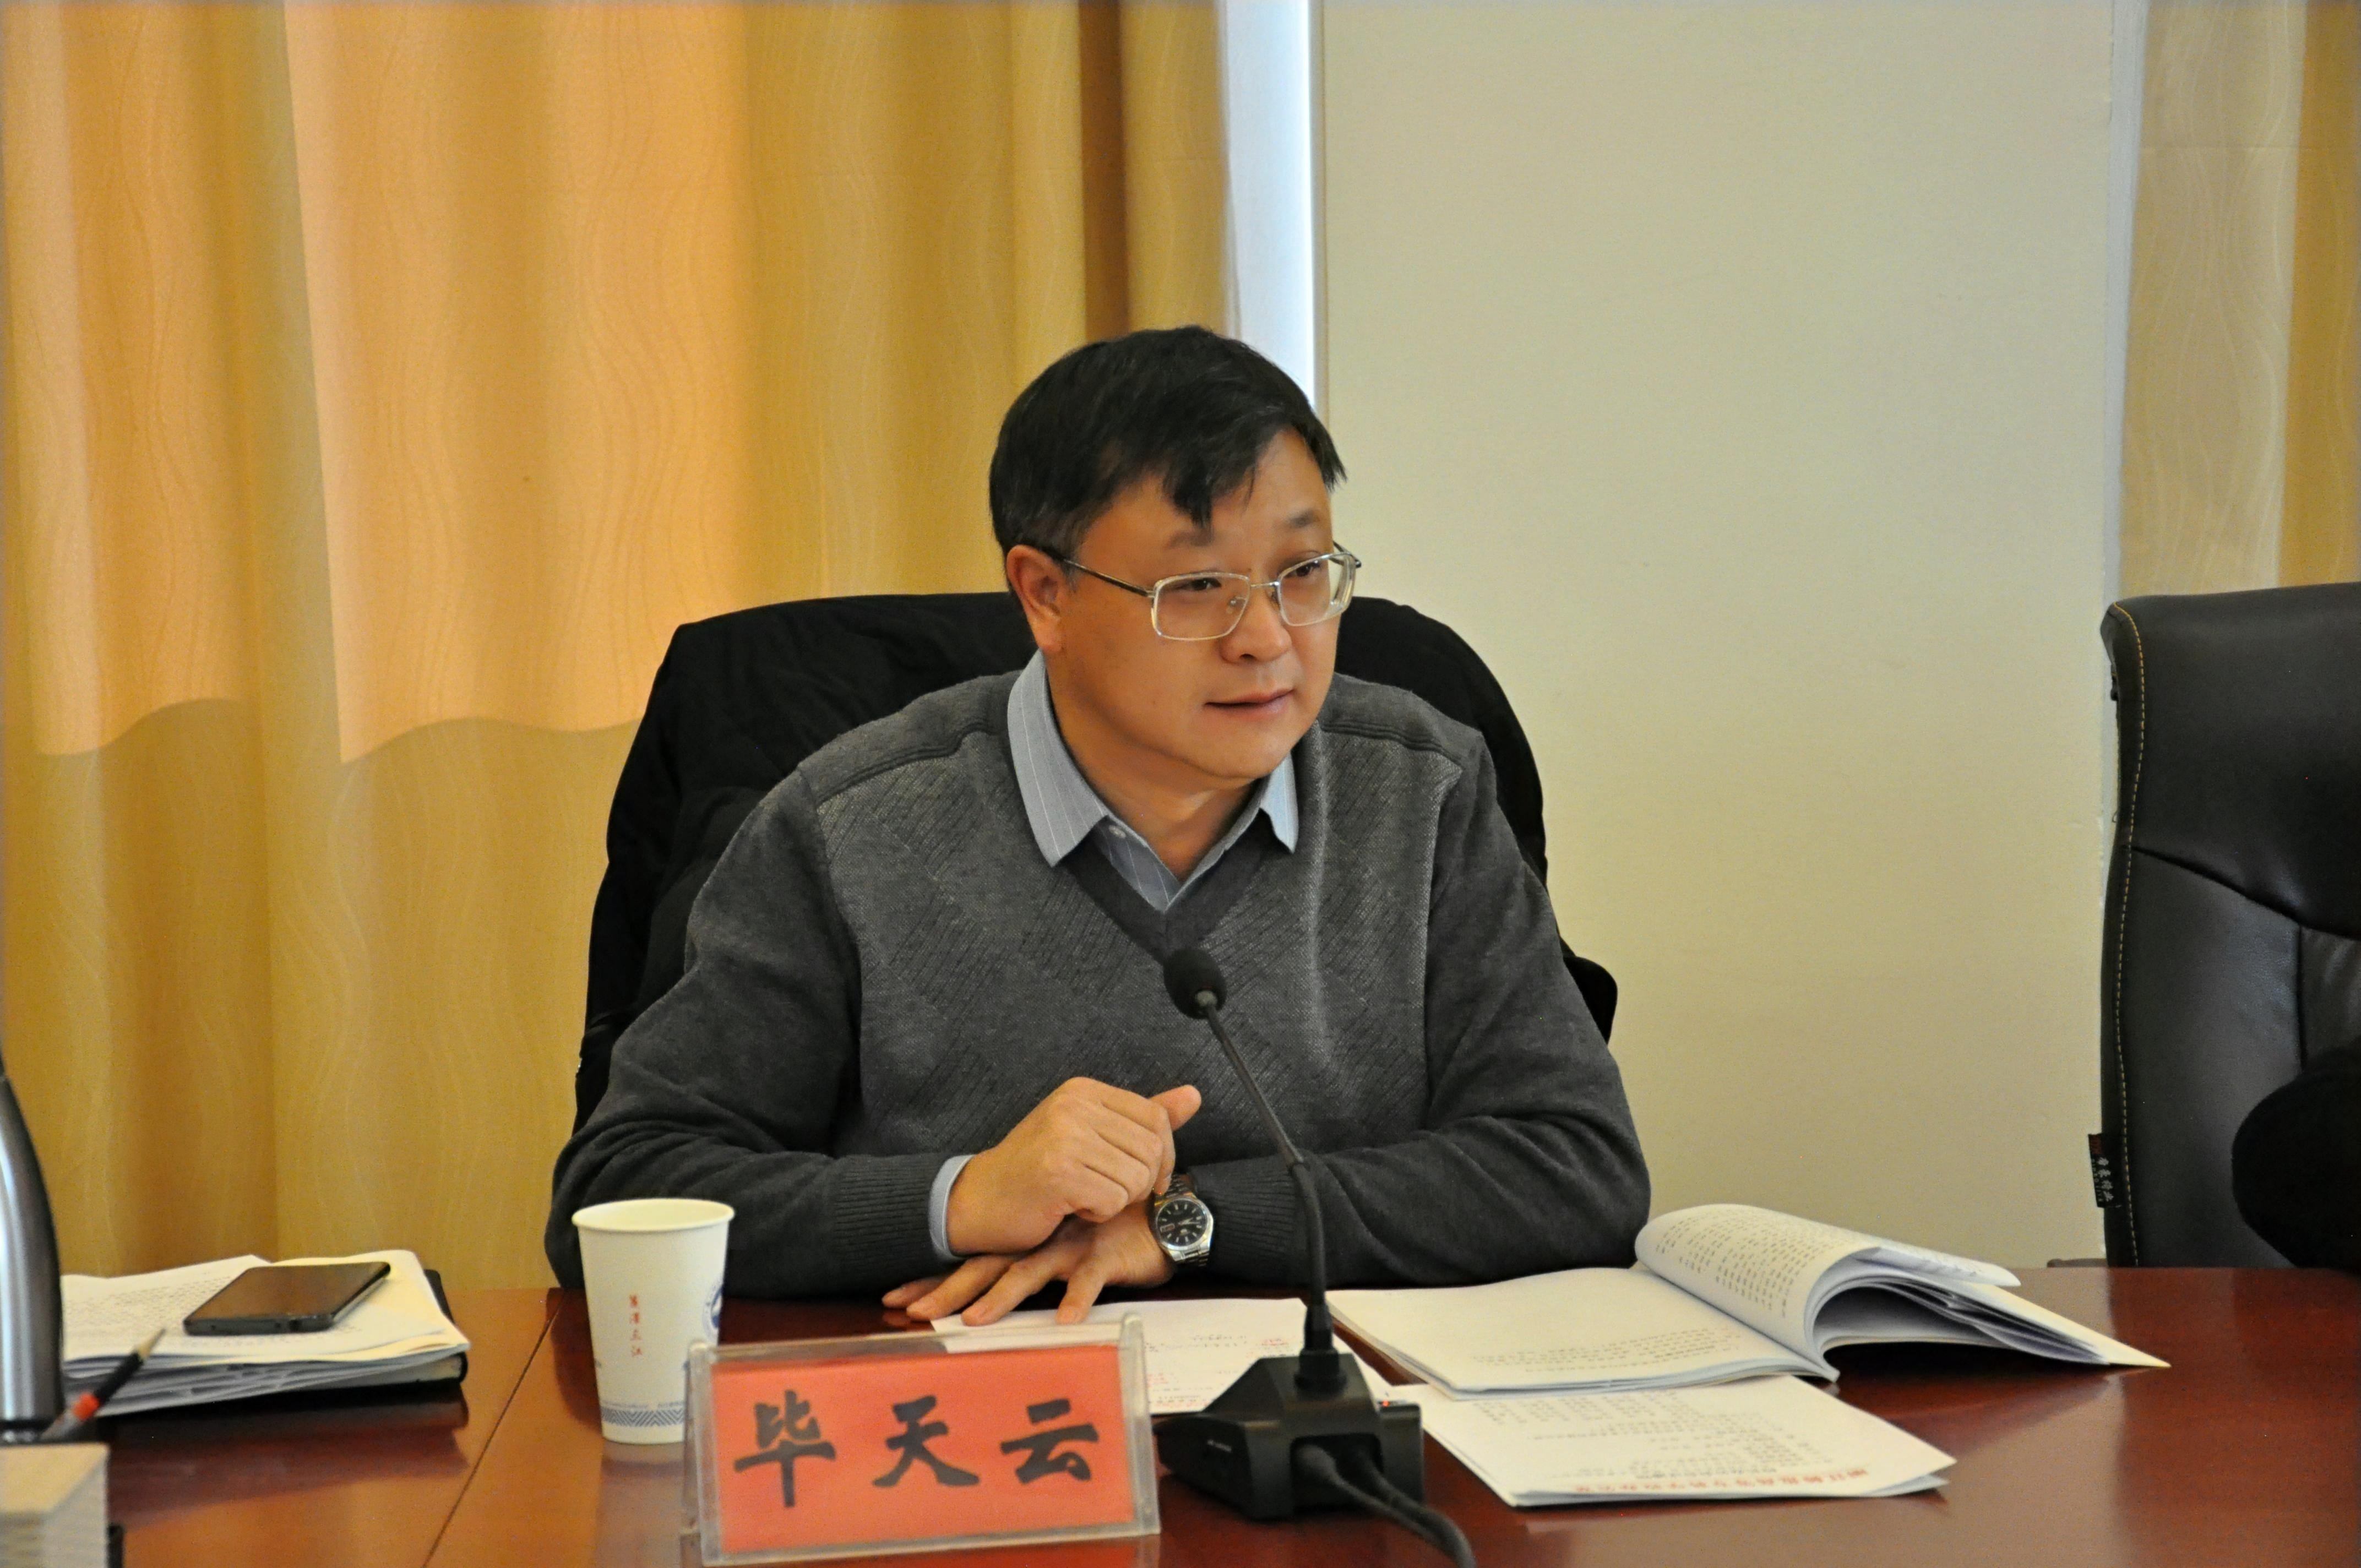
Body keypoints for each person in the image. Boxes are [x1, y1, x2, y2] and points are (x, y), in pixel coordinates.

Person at [546, 326, 1648, 1322]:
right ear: (1045, 594)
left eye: (1303, 573)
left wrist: (1189, 1222)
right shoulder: (848, 829)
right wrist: (960, 1197)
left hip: (1342, 1422)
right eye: (1199, 587)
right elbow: (620, 1193)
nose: (1267, 637)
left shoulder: (1422, 790)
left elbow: (1576, 1165)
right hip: (983, 1432)